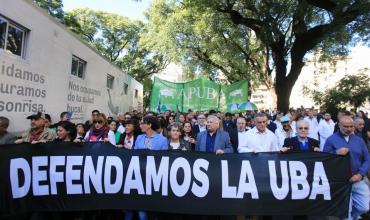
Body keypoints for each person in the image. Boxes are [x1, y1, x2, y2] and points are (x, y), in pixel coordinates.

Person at [324, 116, 370, 219]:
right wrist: (336, 152)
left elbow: (367, 159)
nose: (349, 129)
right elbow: (325, 159)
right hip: (342, 182)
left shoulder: (359, 140)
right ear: (339, 125)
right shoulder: (331, 140)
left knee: (364, 207)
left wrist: (360, 174)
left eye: (351, 126)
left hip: (358, 180)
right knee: (346, 211)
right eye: (345, 126)